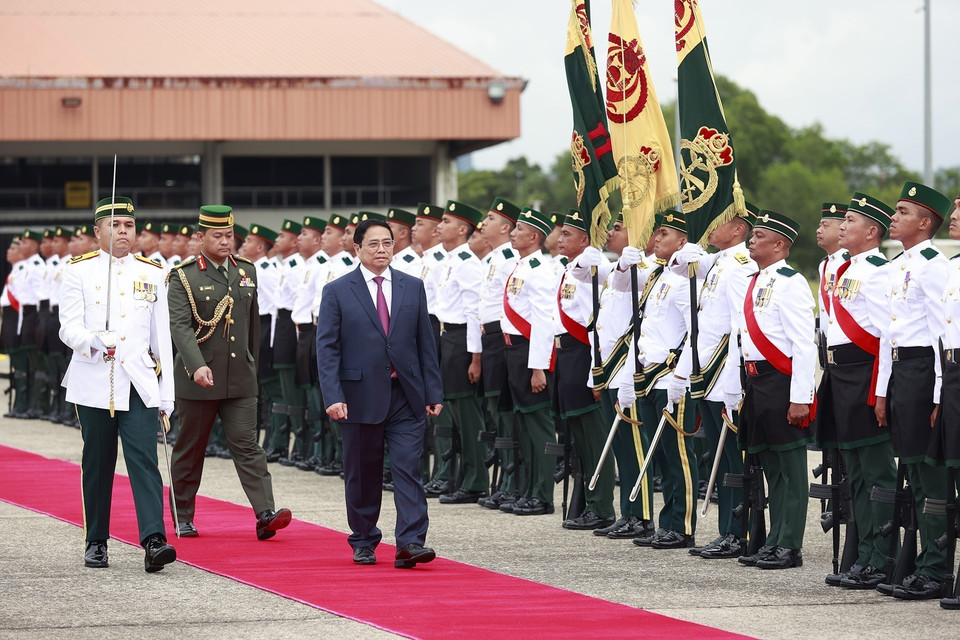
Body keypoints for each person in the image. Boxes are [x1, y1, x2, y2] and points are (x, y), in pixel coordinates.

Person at [316, 218, 443, 567]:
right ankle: (363, 539)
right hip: (358, 397)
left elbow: (425, 343)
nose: (382, 250)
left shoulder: (411, 286)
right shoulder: (338, 290)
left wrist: (433, 390)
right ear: (357, 249)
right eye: (373, 244)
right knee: (362, 472)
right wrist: (333, 395)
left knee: (408, 467)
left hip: (406, 393)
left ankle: (411, 542)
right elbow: (327, 349)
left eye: (387, 243)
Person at [59, 196, 176, 572]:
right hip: (95, 380)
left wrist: (166, 396)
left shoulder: (153, 271)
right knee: (98, 461)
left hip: (139, 381)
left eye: (128, 225)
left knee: (144, 460)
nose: (122, 232)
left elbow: (162, 340)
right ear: (98, 232)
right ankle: (96, 539)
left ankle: (154, 539)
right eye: (114, 225)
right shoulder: (79, 270)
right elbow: (68, 327)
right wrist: (94, 339)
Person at [167, 205, 291, 540]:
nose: (225, 242)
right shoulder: (184, 276)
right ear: (200, 237)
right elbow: (180, 327)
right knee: (191, 449)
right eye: (217, 236)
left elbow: (252, 326)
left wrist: (250, 363)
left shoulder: (246, 271)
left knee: (247, 445)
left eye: (229, 236)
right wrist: (196, 366)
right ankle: (183, 515)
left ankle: (265, 514)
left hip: (239, 377)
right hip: (200, 380)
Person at [815, 193, 897, 589]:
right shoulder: (843, 269)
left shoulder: (879, 270)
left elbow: (885, 338)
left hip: (866, 374)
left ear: (871, 231)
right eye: (843, 219)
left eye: (850, 220)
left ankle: (882, 558)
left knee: (877, 470)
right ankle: (864, 554)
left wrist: (881, 393)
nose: (842, 226)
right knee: (858, 473)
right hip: (841, 374)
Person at [875, 182, 953, 599]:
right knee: (916, 475)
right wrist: (885, 391)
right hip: (904, 372)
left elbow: (945, 334)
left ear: (925, 223)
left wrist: (940, 396)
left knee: (932, 475)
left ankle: (937, 568)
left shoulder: (931, 265)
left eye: (903, 211)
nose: (893, 216)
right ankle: (921, 562)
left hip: (926, 371)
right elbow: (891, 335)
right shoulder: (900, 265)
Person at [670, 205, 758, 559]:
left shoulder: (739, 267)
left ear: (738, 229)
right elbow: (677, 271)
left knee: (735, 461)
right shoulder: (719, 261)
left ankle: (739, 533)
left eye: (718, 221)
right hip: (706, 370)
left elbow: (742, 326)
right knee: (721, 462)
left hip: (726, 375)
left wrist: (736, 381)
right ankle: (727, 531)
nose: (708, 227)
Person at [733, 210, 816, 570]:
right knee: (770, 464)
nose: (752, 239)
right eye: (753, 234)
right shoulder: (756, 280)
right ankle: (774, 539)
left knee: (791, 467)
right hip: (756, 382)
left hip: (781, 382)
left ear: (780, 245)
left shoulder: (790, 281)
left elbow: (803, 344)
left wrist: (801, 397)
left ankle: (790, 544)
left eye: (760, 236)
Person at [556, 210, 616, 531]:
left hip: (585, 354)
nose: (560, 238)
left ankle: (602, 506)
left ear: (585, 240)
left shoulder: (592, 269)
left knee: (595, 438)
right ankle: (589, 502)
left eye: (568, 234)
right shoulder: (568, 269)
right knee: (580, 434)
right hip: (568, 355)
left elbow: (596, 323)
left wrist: (598, 371)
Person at [433, 200, 487, 504]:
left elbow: (472, 313)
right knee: (454, 417)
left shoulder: (467, 263)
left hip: (461, 343)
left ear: (462, 229)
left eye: (445, 222)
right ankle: (462, 477)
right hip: (447, 338)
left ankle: (476, 480)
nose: (439, 226)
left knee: (468, 419)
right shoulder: (451, 260)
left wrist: (475, 358)